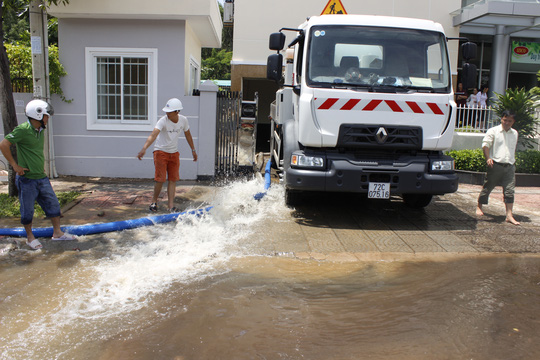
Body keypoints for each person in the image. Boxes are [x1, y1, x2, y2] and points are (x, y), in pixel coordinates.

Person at [0, 99, 76, 250]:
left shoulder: (40, 130)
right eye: (47, 116)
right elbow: (3, 144)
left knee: (53, 205)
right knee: (27, 211)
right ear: (38, 115)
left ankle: (57, 233)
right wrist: (15, 165)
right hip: (27, 180)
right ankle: (30, 238)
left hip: (41, 178)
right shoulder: (22, 130)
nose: (49, 118)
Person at [137, 98, 197, 212]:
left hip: (174, 153)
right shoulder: (163, 121)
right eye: (167, 111)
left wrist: (193, 150)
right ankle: (154, 202)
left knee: (173, 179)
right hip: (160, 152)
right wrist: (144, 148)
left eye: (170, 111)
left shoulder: (183, 120)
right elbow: (153, 135)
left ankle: (171, 206)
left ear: (177, 112)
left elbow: (188, 135)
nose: (167, 113)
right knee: (160, 179)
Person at [476, 110, 520, 225]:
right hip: (495, 165)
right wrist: (488, 158)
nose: (506, 122)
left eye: (509, 121)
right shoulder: (493, 131)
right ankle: (479, 206)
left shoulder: (515, 133)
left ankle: (509, 215)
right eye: (505, 120)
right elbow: (485, 145)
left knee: (510, 190)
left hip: (510, 166)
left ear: (513, 122)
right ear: (501, 119)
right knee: (488, 186)